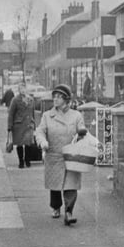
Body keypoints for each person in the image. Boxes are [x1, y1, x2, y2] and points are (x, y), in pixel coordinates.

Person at [35, 84, 86, 226]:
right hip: (54, 154)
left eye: (59, 96)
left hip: (72, 156)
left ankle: (69, 212)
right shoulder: (47, 116)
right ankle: (56, 207)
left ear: (66, 99)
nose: (55, 99)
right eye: (54, 96)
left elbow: (82, 132)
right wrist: (43, 141)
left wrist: (82, 138)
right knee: (56, 184)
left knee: (71, 185)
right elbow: (39, 131)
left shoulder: (76, 116)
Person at [7, 82, 35, 168]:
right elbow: (11, 114)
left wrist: (34, 125)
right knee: (19, 144)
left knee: (28, 143)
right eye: (21, 89)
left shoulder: (31, 99)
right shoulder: (15, 100)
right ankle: (21, 161)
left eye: (24, 88)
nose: (23, 90)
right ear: (19, 90)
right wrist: (9, 126)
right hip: (18, 125)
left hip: (28, 125)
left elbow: (32, 113)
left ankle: (27, 160)